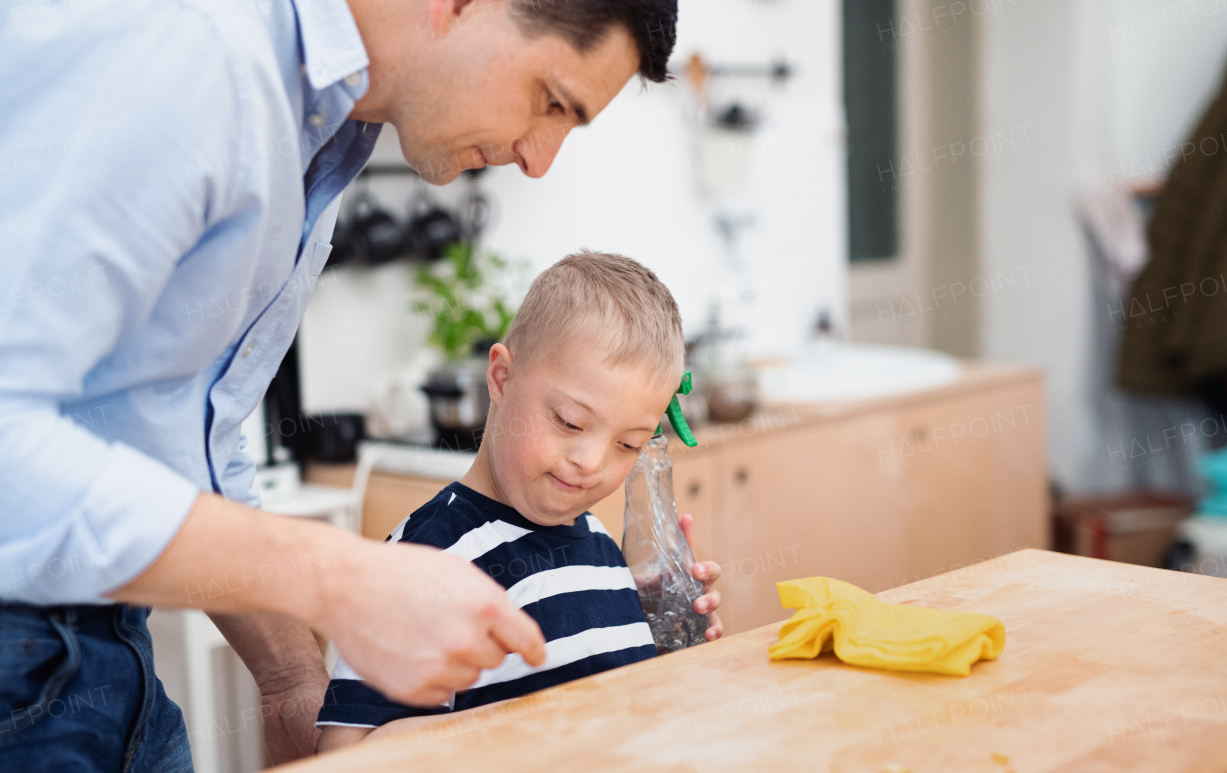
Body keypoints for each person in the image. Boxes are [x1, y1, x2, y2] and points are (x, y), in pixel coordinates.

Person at [0, 0, 723, 769]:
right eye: (551, 100)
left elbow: (176, 438)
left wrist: (288, 672)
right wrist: (340, 577)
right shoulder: (194, 54)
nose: (539, 157)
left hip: (106, 650)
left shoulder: (328, 132)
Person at [314, 251, 723, 752]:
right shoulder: (427, 559)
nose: (591, 461)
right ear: (502, 379)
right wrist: (524, 725)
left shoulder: (601, 549)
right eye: (569, 422)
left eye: (628, 445)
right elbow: (345, 750)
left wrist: (664, 642)